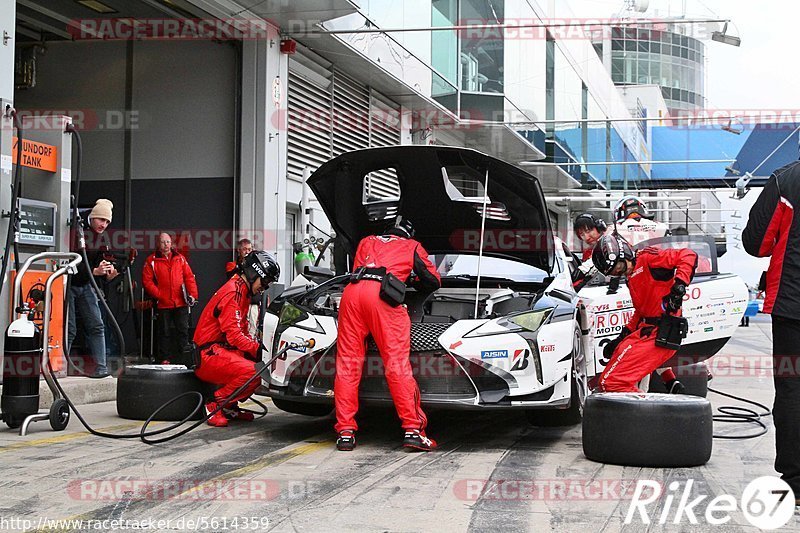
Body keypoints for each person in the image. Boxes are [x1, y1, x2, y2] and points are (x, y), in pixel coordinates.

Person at [334, 217, 441, 452]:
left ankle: (345, 432)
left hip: (351, 295)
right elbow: (433, 281)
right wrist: (409, 280)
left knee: (348, 365)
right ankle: (413, 430)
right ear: (409, 234)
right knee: (396, 364)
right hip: (382, 298)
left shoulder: (366, 240)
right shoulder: (412, 246)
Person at [742, 160, 800, 506]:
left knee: (793, 392)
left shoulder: (786, 179)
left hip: (793, 306)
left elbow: (757, 243)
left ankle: (796, 484)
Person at [592, 234, 697, 393]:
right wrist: (620, 338)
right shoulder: (630, 277)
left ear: (625, 253)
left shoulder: (648, 258)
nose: (621, 272)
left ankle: (646, 413)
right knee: (606, 379)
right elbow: (641, 311)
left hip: (662, 332)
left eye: (619, 267)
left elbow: (688, 255)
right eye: (615, 273)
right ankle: (669, 385)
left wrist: (679, 286)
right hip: (645, 331)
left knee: (612, 382)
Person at [193, 250, 280, 427]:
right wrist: (260, 350)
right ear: (254, 273)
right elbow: (234, 336)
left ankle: (230, 406)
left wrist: (258, 350)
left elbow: (243, 332)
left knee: (259, 366)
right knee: (254, 372)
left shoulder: (242, 291)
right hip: (207, 354)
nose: (264, 287)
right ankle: (216, 404)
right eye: (264, 282)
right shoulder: (233, 292)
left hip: (220, 350)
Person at [68, 198, 116, 378]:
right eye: (101, 220)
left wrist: (108, 273)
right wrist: (95, 271)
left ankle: (101, 366)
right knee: (70, 329)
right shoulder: (76, 231)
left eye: (107, 221)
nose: (104, 224)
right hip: (69, 285)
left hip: (86, 284)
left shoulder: (101, 239)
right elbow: (71, 263)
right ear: (93, 218)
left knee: (97, 325)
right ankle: (59, 366)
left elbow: (97, 265)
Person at [142, 232, 199, 365]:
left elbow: (189, 277)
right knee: (164, 333)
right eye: (163, 242)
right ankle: (164, 359)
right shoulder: (151, 260)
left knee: (183, 331)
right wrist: (159, 295)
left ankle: (185, 358)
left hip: (180, 302)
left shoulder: (180, 258)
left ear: (171, 243)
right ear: (158, 244)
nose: (166, 245)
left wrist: (192, 295)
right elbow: (147, 281)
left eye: (168, 242)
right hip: (163, 304)